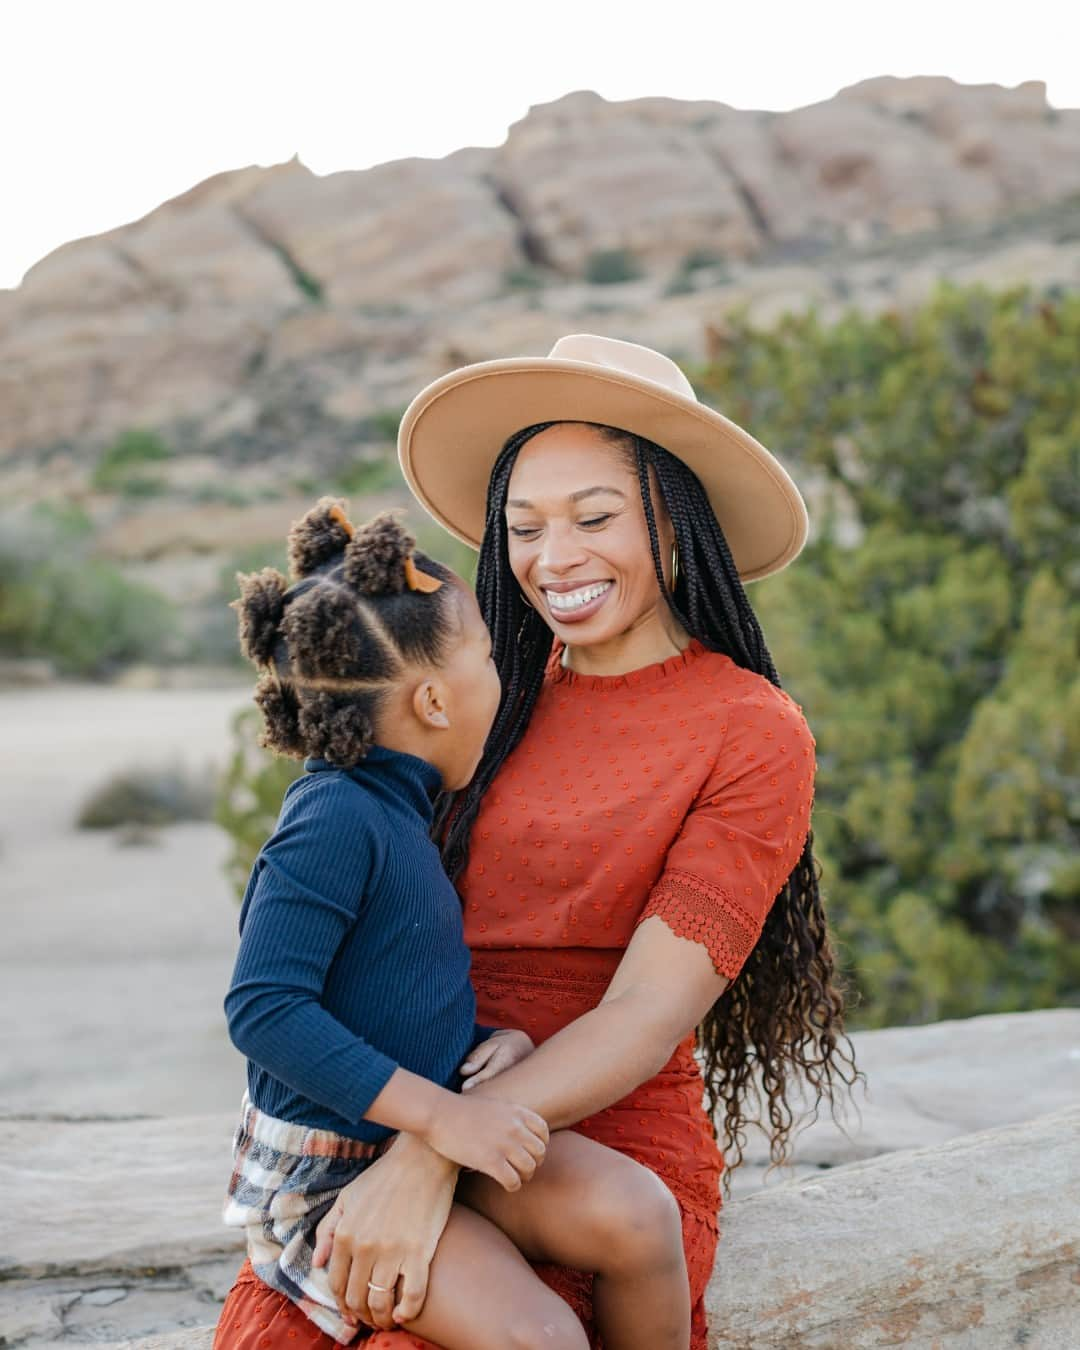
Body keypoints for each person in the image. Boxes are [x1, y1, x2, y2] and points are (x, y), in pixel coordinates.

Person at [219, 333, 864, 1350]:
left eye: (595, 517)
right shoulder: (471, 701)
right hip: (403, 1098)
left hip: (590, 1130)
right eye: (523, 526)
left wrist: (430, 1158)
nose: (552, 558)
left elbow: (647, 1016)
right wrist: (421, 1123)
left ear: (672, 515)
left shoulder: (749, 729)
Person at [213, 499, 696, 1350]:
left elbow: (383, 992)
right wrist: (440, 1118)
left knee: (640, 1217)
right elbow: (265, 1008)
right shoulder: (331, 819)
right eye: (484, 654)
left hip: (426, 1125)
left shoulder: (405, 813)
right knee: (538, 1337)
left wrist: (488, 1040)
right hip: (327, 1175)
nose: (504, 669)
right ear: (435, 700)